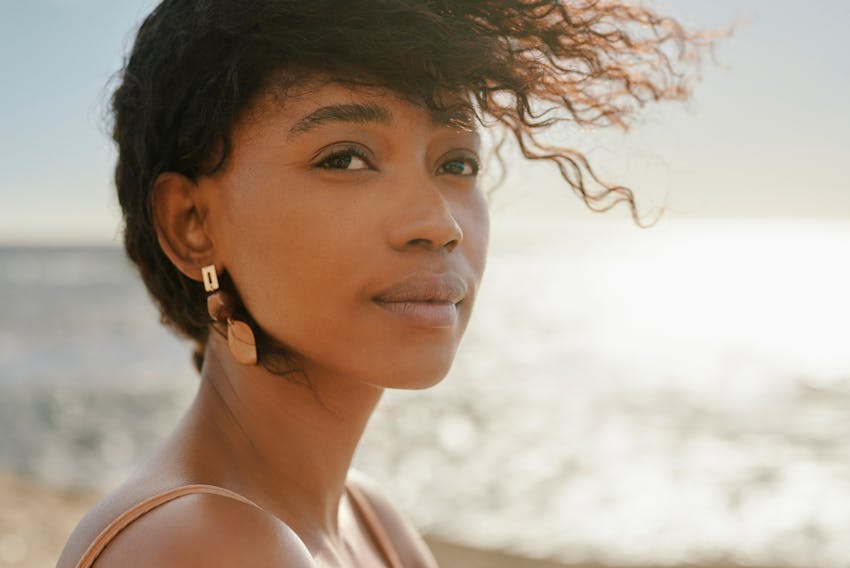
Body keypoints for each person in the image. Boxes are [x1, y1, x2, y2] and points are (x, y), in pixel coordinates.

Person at [57, 1, 712, 566]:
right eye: (345, 158)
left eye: (456, 162)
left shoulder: (369, 520)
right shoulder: (204, 547)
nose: (439, 223)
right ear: (192, 223)